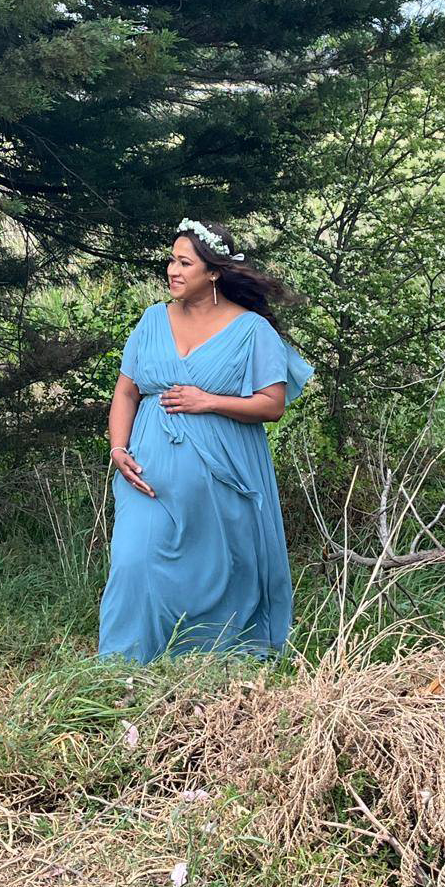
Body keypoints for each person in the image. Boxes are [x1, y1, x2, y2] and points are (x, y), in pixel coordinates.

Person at [97, 218, 314, 665]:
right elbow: (126, 391)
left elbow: (272, 404)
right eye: (171, 261)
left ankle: (206, 660)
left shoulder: (252, 330)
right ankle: (122, 666)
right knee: (134, 560)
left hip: (223, 474)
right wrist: (118, 448)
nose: (172, 270)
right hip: (148, 473)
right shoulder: (153, 320)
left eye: (184, 263)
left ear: (213, 272)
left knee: (221, 570)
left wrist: (209, 401)